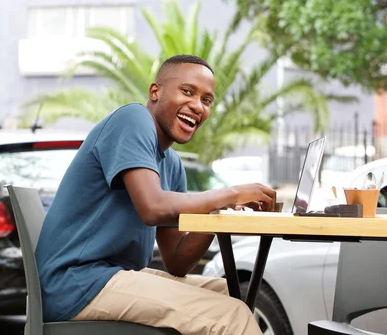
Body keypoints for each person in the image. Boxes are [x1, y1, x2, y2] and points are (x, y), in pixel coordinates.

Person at [35, 54, 276, 334]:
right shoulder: (132, 119)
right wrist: (231, 193)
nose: (197, 106)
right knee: (230, 315)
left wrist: (213, 214)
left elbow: (176, 261)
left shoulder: (172, 164)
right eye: (187, 91)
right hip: (76, 282)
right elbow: (152, 207)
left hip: (111, 278)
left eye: (207, 100)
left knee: (230, 292)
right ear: (155, 91)